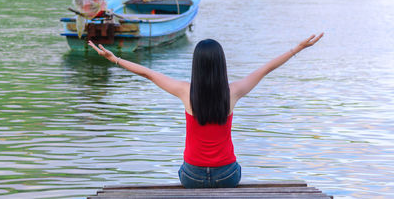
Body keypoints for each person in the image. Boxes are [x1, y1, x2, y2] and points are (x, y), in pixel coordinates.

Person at [88, 33, 323, 188]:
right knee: (235, 166)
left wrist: (115, 59)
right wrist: (298, 49)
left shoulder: (184, 91)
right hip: (227, 175)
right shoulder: (234, 91)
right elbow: (265, 69)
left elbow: (148, 73)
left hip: (191, 176)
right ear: (222, 64)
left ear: (196, 65)